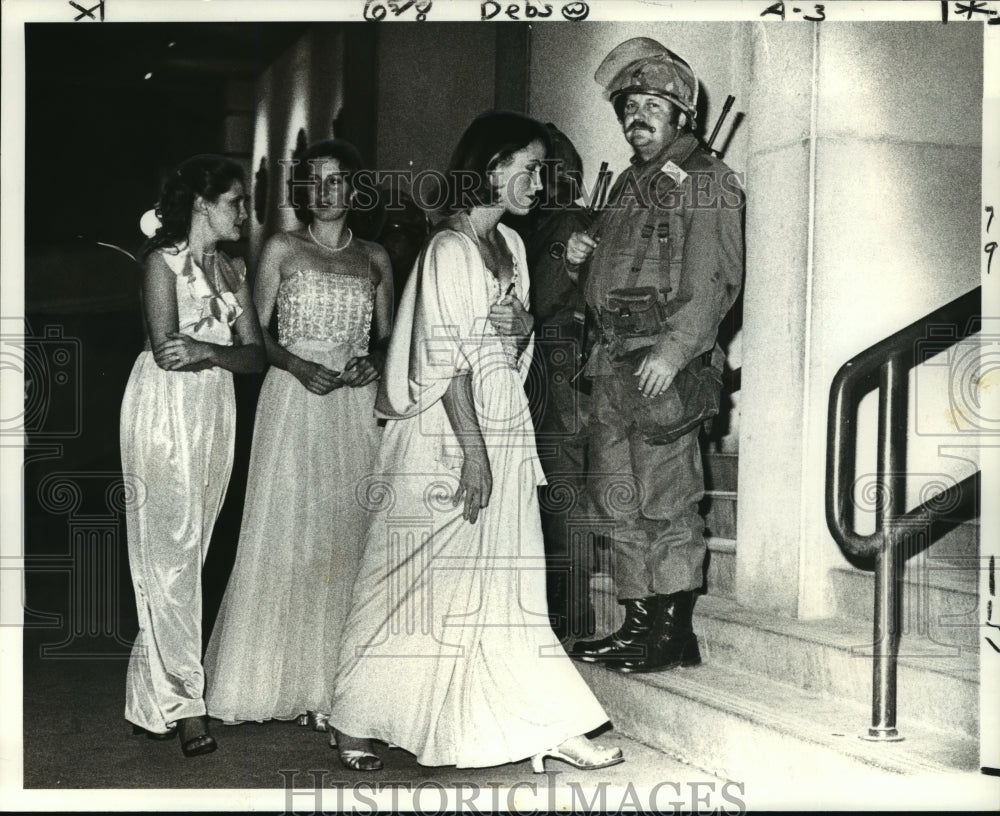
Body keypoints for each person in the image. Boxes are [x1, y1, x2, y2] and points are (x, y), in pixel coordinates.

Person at [327, 110, 624, 774]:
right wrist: (474, 453)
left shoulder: (513, 248)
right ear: (492, 168)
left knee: (510, 582)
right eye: (529, 166)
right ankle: (353, 715)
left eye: (542, 169)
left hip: (502, 418)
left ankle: (547, 724)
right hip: (445, 431)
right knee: (408, 580)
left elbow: (503, 349)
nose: (539, 181)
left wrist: (520, 327)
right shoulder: (448, 248)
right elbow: (445, 362)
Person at [566, 38, 744, 673]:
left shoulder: (708, 182)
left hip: (661, 366)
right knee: (619, 499)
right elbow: (608, 284)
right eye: (628, 106)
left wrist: (674, 351)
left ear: (681, 116)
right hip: (611, 365)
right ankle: (635, 623)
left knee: (667, 500)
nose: (634, 117)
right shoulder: (628, 188)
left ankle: (673, 632)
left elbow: (716, 281)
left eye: (650, 106)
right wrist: (580, 262)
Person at [204, 140, 393, 729]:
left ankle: (339, 684)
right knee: (291, 533)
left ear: (356, 188)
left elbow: (392, 337)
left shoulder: (378, 257)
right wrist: (296, 364)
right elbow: (254, 336)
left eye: (340, 180)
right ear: (304, 191)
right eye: (318, 181)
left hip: (354, 404)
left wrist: (374, 362)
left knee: (349, 535)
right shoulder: (283, 248)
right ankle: (277, 679)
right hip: (295, 397)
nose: (329, 191)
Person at [120, 155, 264, 757]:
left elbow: (255, 356)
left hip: (213, 412)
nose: (244, 213)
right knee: (170, 556)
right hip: (163, 414)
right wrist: (215, 352)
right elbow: (165, 351)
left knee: (187, 554)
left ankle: (147, 695)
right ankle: (187, 708)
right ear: (203, 204)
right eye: (235, 201)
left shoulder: (233, 270)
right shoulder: (162, 263)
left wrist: (210, 353)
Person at [523, 124, 598, 642]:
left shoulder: (567, 223)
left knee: (561, 486)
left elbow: (546, 299)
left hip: (559, 362)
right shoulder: (538, 225)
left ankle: (570, 610)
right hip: (540, 363)